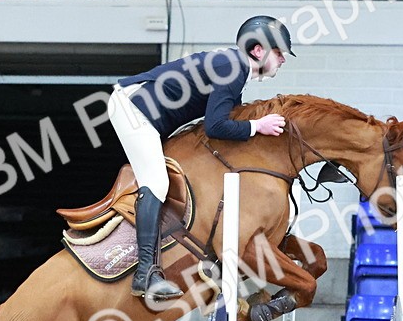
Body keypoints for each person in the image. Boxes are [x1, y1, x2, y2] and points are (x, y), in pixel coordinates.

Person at [108, 15, 296, 301]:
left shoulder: (234, 68)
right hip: (133, 109)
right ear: (258, 50)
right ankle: (145, 273)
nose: (283, 60)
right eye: (279, 52)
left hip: (143, 110)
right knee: (157, 182)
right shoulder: (233, 67)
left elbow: (225, 126)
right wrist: (258, 126)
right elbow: (216, 126)